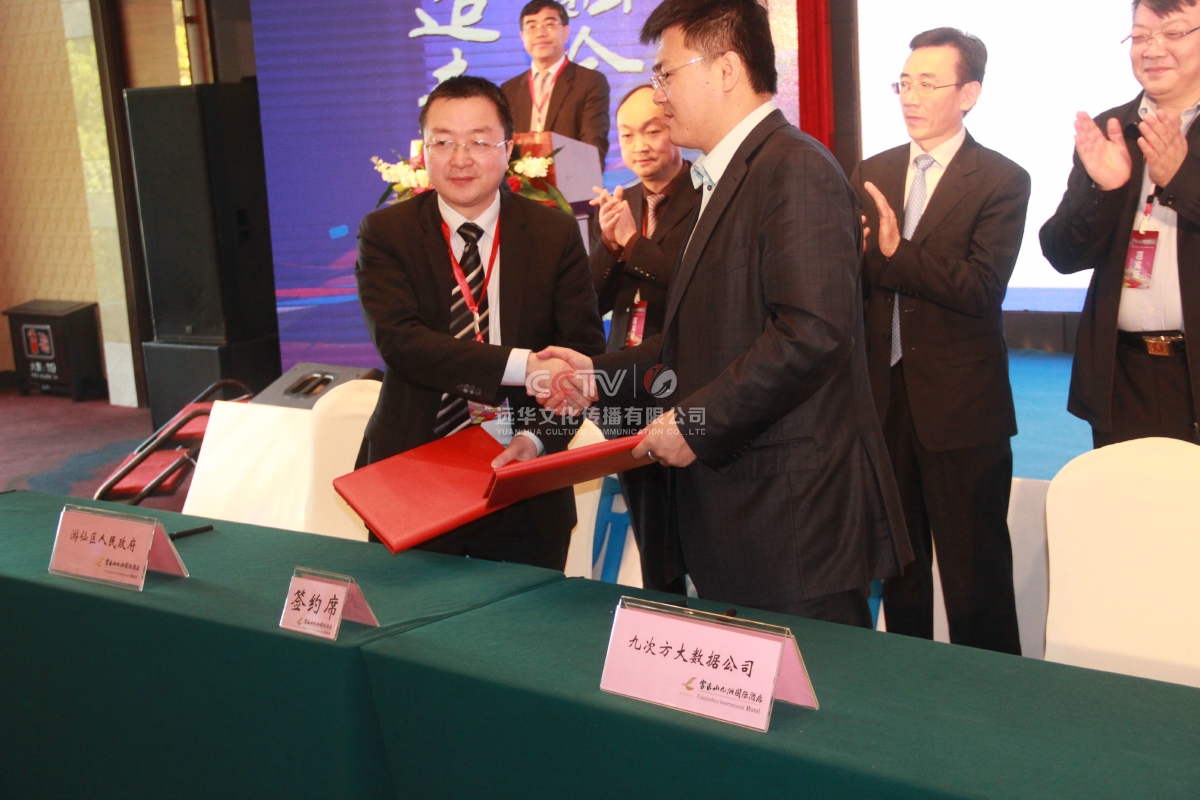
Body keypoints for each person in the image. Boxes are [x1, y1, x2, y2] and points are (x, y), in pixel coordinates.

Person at [538, 0, 912, 626]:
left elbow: (811, 333)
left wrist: (694, 425)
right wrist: (595, 374)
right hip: (742, 511)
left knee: (811, 686)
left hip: (790, 520)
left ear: (727, 70)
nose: (658, 95)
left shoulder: (795, 168)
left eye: (666, 74)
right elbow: (700, 339)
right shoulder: (725, 178)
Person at [355, 76, 606, 570]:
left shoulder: (553, 232)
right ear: (424, 151)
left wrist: (536, 440)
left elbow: (580, 358)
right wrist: (523, 366)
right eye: (443, 142)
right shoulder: (386, 232)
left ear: (508, 149)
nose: (460, 158)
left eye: (478, 141)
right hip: (414, 471)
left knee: (521, 617)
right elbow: (402, 344)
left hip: (523, 481)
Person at [853, 28, 1029, 654]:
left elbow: (981, 287)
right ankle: (910, 685)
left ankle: (993, 693)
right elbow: (858, 281)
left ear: (969, 93)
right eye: (904, 82)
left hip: (963, 406)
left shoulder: (1001, 179)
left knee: (975, 571)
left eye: (928, 83)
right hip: (884, 396)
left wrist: (897, 253)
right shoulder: (872, 171)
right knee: (899, 566)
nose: (910, 96)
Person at [1041, 0, 1200, 448]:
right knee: (1126, 494)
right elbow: (1062, 253)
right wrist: (1104, 191)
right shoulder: (1114, 130)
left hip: (1194, 374)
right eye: (1141, 36)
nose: (1153, 49)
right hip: (1122, 375)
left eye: (1173, 33)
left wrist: (1181, 179)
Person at [590, 85, 700, 594]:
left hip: (683, 379)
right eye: (628, 135)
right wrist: (611, 247)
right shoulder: (622, 200)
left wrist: (633, 243)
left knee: (696, 523)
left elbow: (691, 287)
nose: (640, 146)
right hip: (626, 384)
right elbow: (591, 298)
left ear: (674, 127)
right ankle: (664, 615)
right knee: (649, 524)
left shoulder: (707, 195)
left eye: (652, 131)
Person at [501, 0, 611, 168]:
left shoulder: (590, 82)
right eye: (532, 26)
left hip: (572, 181)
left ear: (566, 32)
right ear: (522, 36)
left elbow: (593, 147)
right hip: (519, 183)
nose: (540, 33)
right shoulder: (509, 90)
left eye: (549, 24)